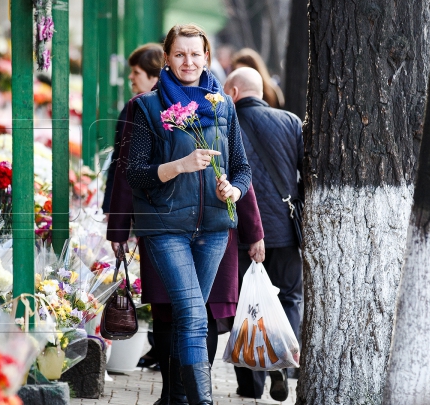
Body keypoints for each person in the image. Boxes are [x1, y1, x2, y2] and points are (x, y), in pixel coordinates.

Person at [125, 23, 252, 404]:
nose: (188, 61)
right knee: (194, 317)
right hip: (166, 228)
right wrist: (179, 165)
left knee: (192, 320)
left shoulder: (223, 105)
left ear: (207, 57)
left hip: (214, 228)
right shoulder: (146, 107)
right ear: (166, 58)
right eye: (180, 54)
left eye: (196, 54)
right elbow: (134, 173)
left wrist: (234, 189)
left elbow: (243, 169)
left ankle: (180, 400)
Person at [223, 67, 303, 402]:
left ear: (235, 94)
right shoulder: (290, 121)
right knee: (288, 298)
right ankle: (283, 368)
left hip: (243, 231)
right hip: (284, 230)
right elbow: (304, 170)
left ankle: (250, 385)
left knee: (246, 305)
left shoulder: (226, 125)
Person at [102, 43, 163, 214]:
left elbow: (121, 165)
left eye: (136, 72)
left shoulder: (137, 109)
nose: (130, 77)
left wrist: (112, 210)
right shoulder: (135, 107)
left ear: (154, 77)